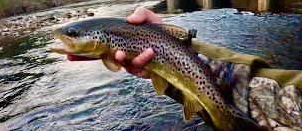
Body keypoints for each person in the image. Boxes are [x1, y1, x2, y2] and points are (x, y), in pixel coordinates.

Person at [67, 7, 302, 130]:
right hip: (185, 67)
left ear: (98, 37)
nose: (69, 38)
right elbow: (282, 98)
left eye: (73, 35)